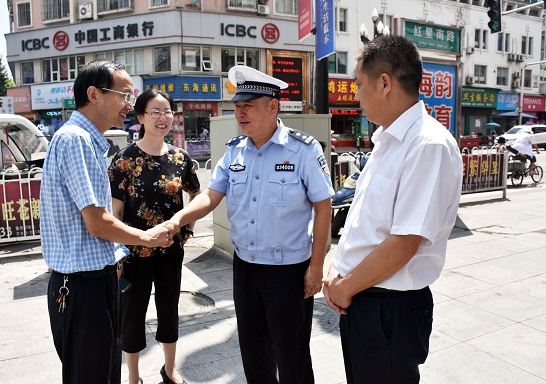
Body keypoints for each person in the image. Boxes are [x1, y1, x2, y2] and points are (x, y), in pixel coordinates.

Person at [167, 65, 334, 384]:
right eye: (237, 107)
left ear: (273, 106)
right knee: (254, 356)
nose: (240, 113)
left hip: (289, 273)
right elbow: (211, 196)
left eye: (248, 106)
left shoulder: (303, 150)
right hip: (246, 271)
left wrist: (317, 265)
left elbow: (323, 207)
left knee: (292, 357)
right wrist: (178, 219)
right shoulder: (234, 153)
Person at [322, 36, 463, 384]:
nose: (355, 94)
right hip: (363, 299)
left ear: (384, 83)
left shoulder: (427, 145)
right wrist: (337, 269)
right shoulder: (387, 141)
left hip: (389, 309)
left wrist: (345, 286)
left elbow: (404, 241)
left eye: (358, 84)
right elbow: (366, 224)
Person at [40, 60, 174, 384]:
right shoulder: (76, 140)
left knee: (105, 373)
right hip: (81, 289)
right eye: (124, 95)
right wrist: (149, 237)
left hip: (96, 283)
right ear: (94, 94)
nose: (130, 104)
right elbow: (98, 223)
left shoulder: (89, 142)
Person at [109, 89, 201, 384]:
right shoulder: (124, 160)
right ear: (140, 118)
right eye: (155, 112)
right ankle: (134, 376)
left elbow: (198, 195)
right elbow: (115, 212)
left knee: (169, 310)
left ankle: (170, 368)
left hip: (170, 254)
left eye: (168, 112)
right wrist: (119, 253)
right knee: (131, 315)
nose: (163, 118)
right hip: (133, 256)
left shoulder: (180, 158)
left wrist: (186, 230)